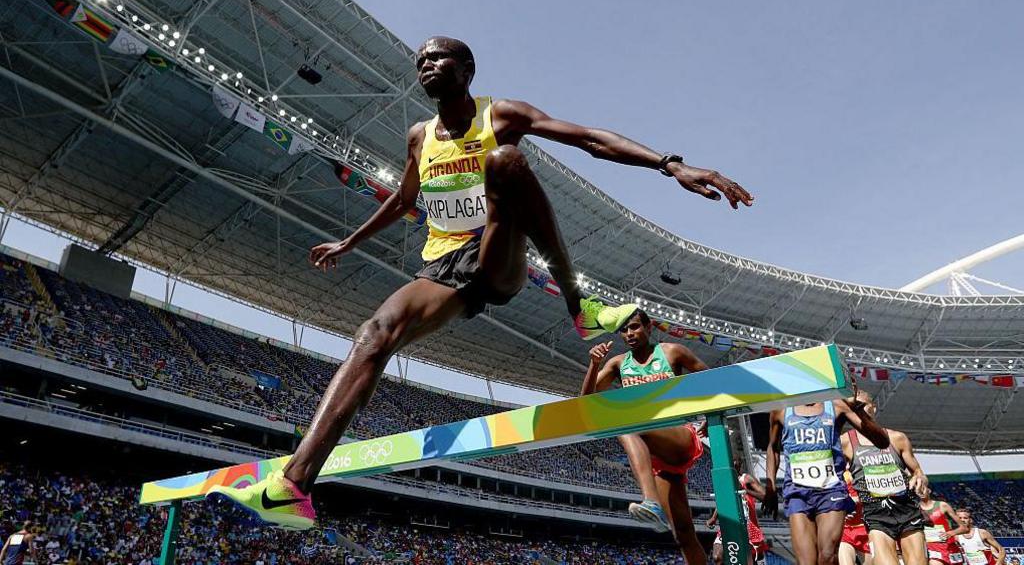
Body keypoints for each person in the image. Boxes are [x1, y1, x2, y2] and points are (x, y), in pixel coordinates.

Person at [210, 36, 752, 530]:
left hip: (499, 258)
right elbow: (403, 201)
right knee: (374, 333)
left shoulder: (502, 114)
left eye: (438, 57)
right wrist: (348, 243)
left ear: (466, 69)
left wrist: (670, 164)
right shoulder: (419, 136)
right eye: (420, 59)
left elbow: (586, 138)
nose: (426, 64)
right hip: (443, 269)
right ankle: (295, 487)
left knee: (505, 161)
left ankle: (576, 302)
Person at [581, 309, 711, 565]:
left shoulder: (672, 351)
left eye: (635, 327)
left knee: (625, 421)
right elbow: (585, 404)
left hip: (679, 437)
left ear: (649, 327)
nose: (629, 333)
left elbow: (711, 379)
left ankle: (650, 501)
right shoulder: (619, 363)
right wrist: (594, 364)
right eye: (624, 330)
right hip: (656, 458)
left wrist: (709, 416)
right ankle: (653, 504)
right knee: (683, 534)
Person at [763, 386, 890, 565]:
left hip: (830, 490)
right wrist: (770, 486)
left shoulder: (837, 405)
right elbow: (773, 448)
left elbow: (883, 442)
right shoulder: (781, 410)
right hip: (797, 492)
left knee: (828, 556)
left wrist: (858, 410)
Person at [842, 392, 929, 565]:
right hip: (875, 514)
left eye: (863, 405)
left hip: (907, 510)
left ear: (873, 407)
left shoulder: (897, 438)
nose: (860, 410)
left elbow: (918, 471)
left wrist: (920, 480)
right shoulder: (845, 442)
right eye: (854, 407)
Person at [708, 460, 769, 565]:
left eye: (735, 465)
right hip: (729, 524)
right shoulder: (725, 482)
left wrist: (744, 490)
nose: (732, 468)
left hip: (748, 526)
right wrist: (714, 518)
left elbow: (765, 496)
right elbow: (723, 501)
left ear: (739, 466)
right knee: (717, 557)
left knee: (752, 560)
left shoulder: (746, 479)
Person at [919, 488, 969, 565]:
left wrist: (951, 533)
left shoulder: (942, 505)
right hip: (932, 549)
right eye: (918, 490)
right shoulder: (915, 509)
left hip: (950, 547)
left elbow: (964, 528)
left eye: (922, 489)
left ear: (929, 490)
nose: (921, 491)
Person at [839, 471, 874, 565]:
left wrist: (856, 500)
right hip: (845, 530)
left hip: (866, 529)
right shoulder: (837, 475)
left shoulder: (869, 473)